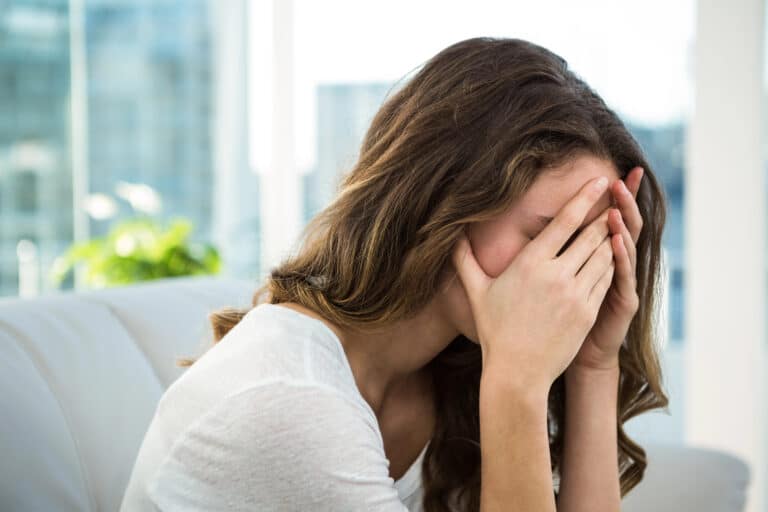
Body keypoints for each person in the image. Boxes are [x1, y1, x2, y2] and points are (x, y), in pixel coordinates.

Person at [120, 36, 668, 512]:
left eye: (591, 250)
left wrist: (594, 364)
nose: (568, 283)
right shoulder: (292, 403)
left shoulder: (440, 379)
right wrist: (517, 385)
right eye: (546, 237)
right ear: (444, 200)